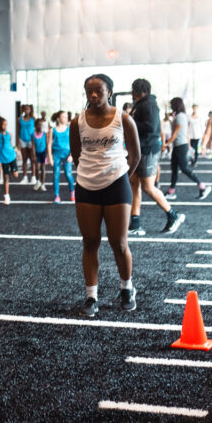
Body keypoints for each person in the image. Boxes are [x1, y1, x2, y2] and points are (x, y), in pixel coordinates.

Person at [70, 74, 140, 317]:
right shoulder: (76, 121)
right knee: (90, 242)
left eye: (98, 90)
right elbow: (76, 154)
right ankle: (91, 296)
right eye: (89, 91)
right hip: (86, 185)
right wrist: (90, 174)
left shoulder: (124, 119)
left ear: (109, 91)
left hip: (117, 184)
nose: (93, 95)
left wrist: (120, 177)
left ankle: (127, 289)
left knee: (119, 243)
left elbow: (135, 154)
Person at [128, 79, 184, 234]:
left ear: (138, 91)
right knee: (134, 184)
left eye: (133, 90)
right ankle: (135, 223)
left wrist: (129, 120)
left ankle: (173, 215)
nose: (132, 93)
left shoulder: (149, 105)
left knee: (148, 186)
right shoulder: (141, 105)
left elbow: (151, 127)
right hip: (140, 150)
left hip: (148, 150)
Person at [163, 98, 211, 200]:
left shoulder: (180, 116)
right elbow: (173, 120)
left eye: (172, 104)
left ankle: (202, 186)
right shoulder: (179, 115)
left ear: (176, 105)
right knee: (174, 169)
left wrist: (167, 143)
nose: (171, 106)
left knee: (184, 168)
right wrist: (168, 113)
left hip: (181, 145)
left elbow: (176, 132)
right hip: (178, 146)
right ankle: (171, 191)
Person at [46, 111, 75, 204]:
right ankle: (57, 196)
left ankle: (72, 192)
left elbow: (73, 143)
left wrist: (71, 155)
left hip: (67, 155)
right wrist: (50, 157)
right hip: (56, 155)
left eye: (66, 117)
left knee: (68, 174)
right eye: (63, 117)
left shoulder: (70, 129)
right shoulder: (52, 130)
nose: (66, 118)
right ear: (58, 119)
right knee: (56, 175)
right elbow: (49, 144)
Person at [0, 116, 18, 204]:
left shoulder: (9, 134)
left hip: (12, 156)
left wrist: (15, 150)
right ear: (0, 125)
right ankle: (6, 196)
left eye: (6, 124)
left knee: (15, 175)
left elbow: (11, 144)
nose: (6, 126)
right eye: (4, 124)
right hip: (3, 159)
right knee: (5, 177)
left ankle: (12, 171)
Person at [18, 105, 35, 185]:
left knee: (32, 159)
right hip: (22, 140)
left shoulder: (33, 119)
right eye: (25, 109)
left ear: (30, 110)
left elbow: (36, 130)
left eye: (28, 109)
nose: (26, 110)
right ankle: (25, 177)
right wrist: (18, 143)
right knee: (24, 159)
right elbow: (18, 130)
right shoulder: (20, 119)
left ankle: (33, 177)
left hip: (31, 140)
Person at [32, 118, 48, 191]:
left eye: (41, 125)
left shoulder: (44, 133)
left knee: (43, 168)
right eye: (38, 125)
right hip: (37, 153)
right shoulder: (33, 134)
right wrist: (34, 155)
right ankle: (38, 181)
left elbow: (47, 144)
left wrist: (47, 155)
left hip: (43, 152)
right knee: (37, 168)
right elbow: (33, 145)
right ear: (35, 125)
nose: (40, 126)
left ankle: (43, 184)